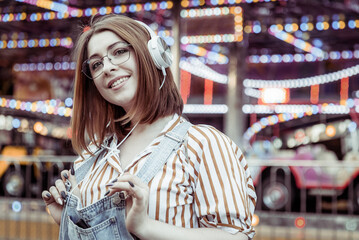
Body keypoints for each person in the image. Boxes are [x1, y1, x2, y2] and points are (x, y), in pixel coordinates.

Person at [42, 14, 256, 240]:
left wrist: (145, 227)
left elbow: (235, 237)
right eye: (96, 64)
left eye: (119, 52)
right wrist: (70, 220)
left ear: (153, 55)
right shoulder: (92, 157)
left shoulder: (203, 144)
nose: (107, 67)